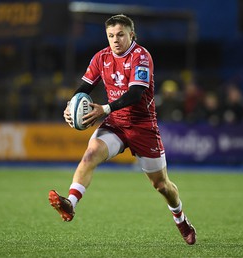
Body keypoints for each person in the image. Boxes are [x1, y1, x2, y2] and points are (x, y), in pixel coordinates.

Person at [48, 14, 196, 245]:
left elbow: (136, 94)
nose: (115, 40)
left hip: (142, 126)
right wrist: (70, 104)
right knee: (89, 155)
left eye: (120, 35)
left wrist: (105, 108)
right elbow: (85, 86)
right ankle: (71, 204)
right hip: (115, 124)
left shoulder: (141, 56)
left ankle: (180, 218)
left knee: (161, 185)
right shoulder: (101, 57)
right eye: (110, 36)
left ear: (131, 35)